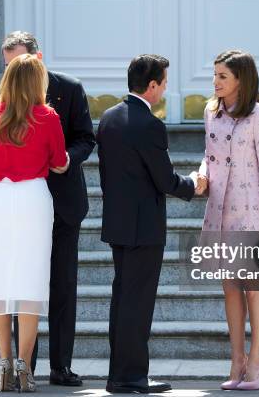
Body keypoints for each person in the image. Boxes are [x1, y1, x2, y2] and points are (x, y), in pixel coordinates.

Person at [0, 31, 95, 387]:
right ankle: (23, 365)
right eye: (7, 65)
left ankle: (61, 366)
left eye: (18, 62)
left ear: (39, 57)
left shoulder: (70, 88)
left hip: (61, 201)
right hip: (18, 208)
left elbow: (86, 138)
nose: (11, 72)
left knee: (62, 285)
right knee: (19, 284)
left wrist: (66, 162)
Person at [97, 54, 203, 394]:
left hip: (117, 222)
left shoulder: (109, 118)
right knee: (137, 304)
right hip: (144, 228)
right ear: (153, 85)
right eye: (165, 83)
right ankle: (131, 377)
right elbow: (164, 179)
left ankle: (119, 375)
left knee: (122, 299)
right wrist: (194, 184)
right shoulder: (150, 125)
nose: (166, 89)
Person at [0, 54, 69, 392]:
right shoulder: (47, 116)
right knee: (31, 282)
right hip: (32, 198)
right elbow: (60, 163)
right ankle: (24, 366)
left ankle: (3, 364)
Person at [196, 50, 259, 390]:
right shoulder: (210, 111)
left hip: (252, 210)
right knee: (230, 288)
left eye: (223, 76)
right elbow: (209, 155)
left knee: (253, 287)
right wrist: (202, 175)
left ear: (240, 80)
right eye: (215, 75)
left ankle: (256, 360)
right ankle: (236, 361)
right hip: (220, 210)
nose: (216, 82)